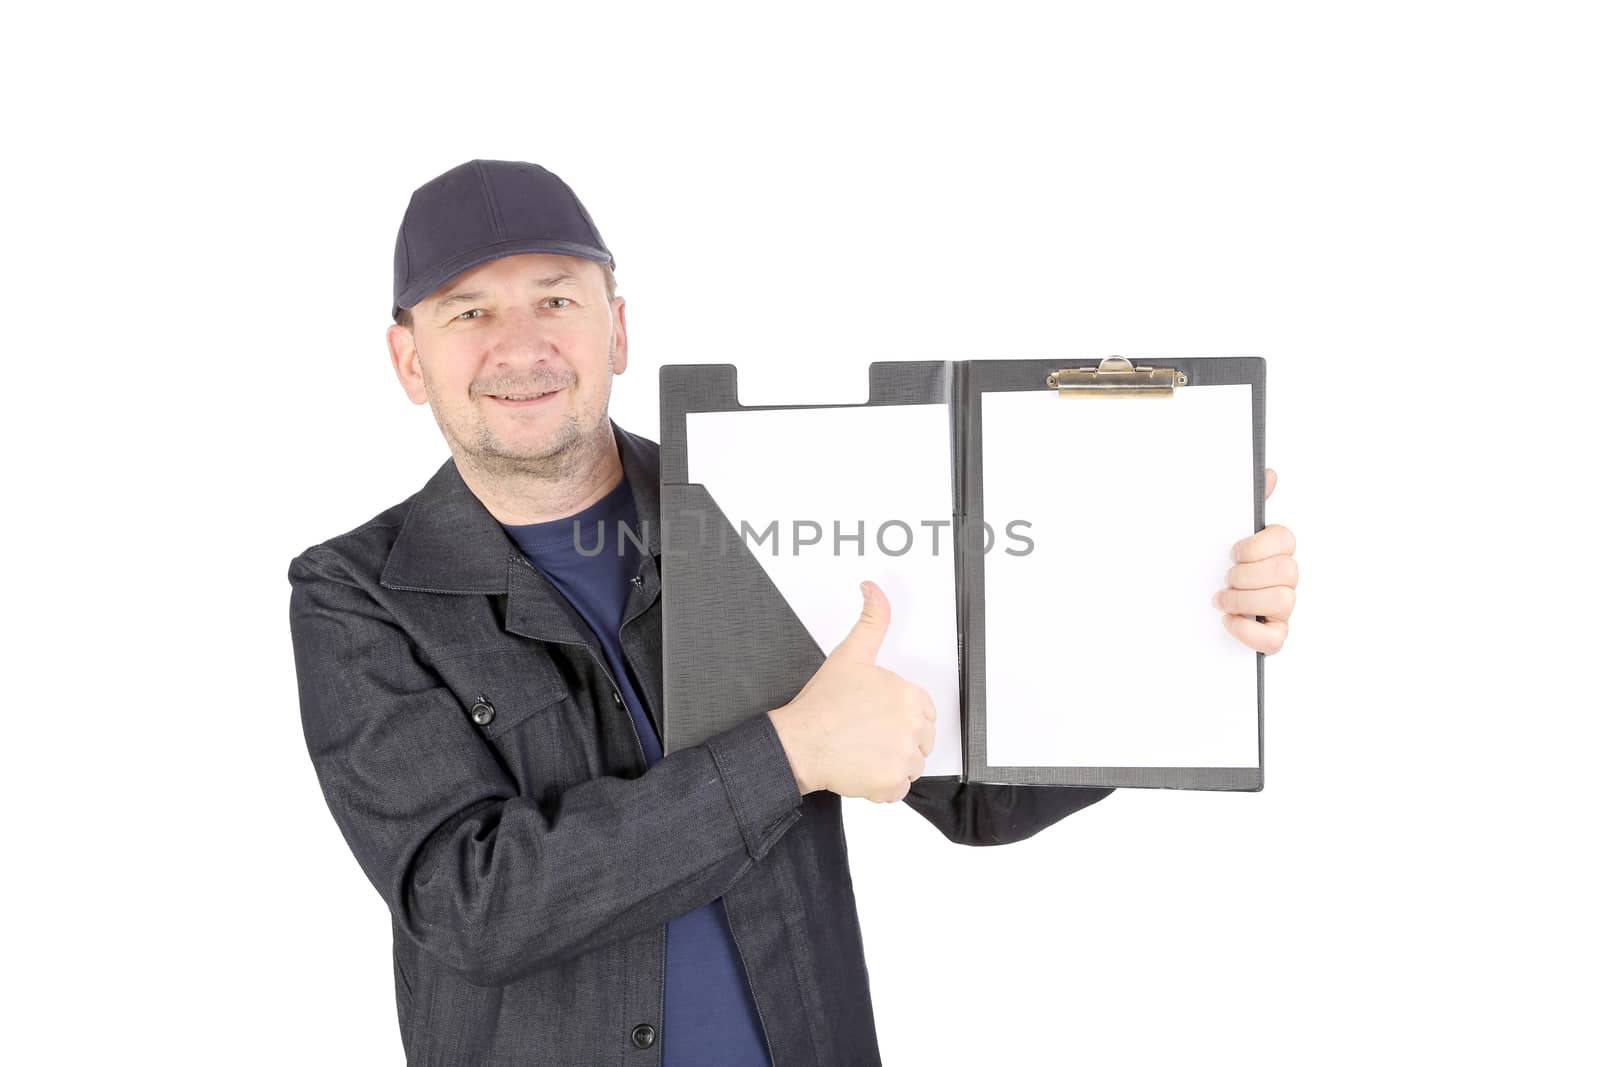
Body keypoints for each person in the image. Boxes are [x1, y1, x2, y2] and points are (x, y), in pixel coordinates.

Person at [286, 159, 1299, 1066]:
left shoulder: (756, 500)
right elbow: (471, 905)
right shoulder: (358, 594)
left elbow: (977, 793)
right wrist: (787, 752)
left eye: (556, 298)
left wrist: (1178, 616)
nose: (521, 344)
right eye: (468, 312)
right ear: (408, 360)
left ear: (617, 328)